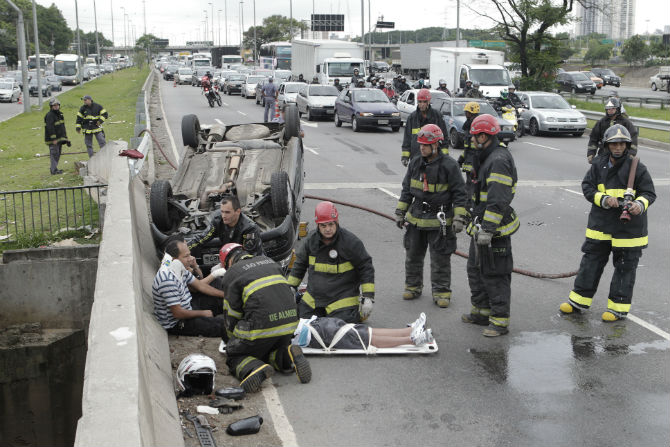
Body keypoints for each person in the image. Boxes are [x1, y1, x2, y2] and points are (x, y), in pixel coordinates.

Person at [560, 125, 655, 322]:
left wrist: (639, 204)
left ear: (627, 145)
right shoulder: (598, 164)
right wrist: (603, 199)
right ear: (607, 145)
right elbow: (587, 187)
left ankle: (617, 309)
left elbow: (649, 193)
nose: (618, 148)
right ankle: (578, 302)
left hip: (628, 232)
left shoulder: (636, 167)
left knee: (624, 270)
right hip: (601, 227)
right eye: (614, 144)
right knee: (590, 264)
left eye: (621, 144)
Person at [218, 243, 311, 393]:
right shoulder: (269, 261)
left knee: (235, 355)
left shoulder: (232, 274)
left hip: (262, 327)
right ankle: (287, 355)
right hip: (290, 324)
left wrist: (232, 342)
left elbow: (232, 314)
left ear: (227, 262)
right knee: (270, 351)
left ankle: (254, 368)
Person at [395, 124, 467, 307]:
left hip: (439, 221)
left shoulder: (449, 165)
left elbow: (460, 193)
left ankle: (442, 292)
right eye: (420, 145)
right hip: (416, 219)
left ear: (436, 145)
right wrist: (400, 212)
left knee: (440, 259)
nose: (422, 148)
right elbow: (406, 190)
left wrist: (459, 218)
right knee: (412, 256)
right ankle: (412, 287)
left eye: (425, 145)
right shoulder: (415, 162)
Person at [461, 114, 519, 337]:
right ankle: (481, 313)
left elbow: (498, 200)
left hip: (494, 230)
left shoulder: (497, 160)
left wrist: (488, 229)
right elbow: (475, 192)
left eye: (474, 137)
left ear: (484, 136)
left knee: (495, 275)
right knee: (475, 270)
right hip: (481, 226)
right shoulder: (484, 156)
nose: (471, 141)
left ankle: (499, 322)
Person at [288, 201, 375, 323]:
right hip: (314, 298)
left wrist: (368, 297)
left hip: (341, 299)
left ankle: (356, 314)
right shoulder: (311, 241)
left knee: (338, 327)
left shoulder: (350, 242)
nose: (328, 229)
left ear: (337, 222)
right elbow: (300, 265)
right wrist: (291, 287)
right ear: (317, 225)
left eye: (331, 224)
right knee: (303, 325)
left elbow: (365, 267)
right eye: (323, 226)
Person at [152, 239, 227, 337]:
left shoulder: (178, 266)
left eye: (189, 254)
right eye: (186, 256)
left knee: (221, 300)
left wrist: (225, 295)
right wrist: (202, 313)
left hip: (189, 305)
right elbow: (178, 313)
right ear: (174, 259)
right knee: (222, 326)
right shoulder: (167, 280)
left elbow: (200, 286)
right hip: (178, 322)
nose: (190, 258)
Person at [292, 313, 433, 350]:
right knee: (364, 336)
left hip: (313, 325)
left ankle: (410, 331)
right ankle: (412, 339)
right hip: (314, 330)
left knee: (363, 332)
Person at [188, 195, 264, 257]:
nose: (223, 216)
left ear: (237, 211)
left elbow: (249, 254)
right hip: (229, 259)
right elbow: (202, 238)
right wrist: (184, 249)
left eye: (227, 212)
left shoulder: (249, 228)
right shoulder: (218, 221)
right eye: (222, 211)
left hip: (252, 262)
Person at [401, 89, 449, 166]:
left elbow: (444, 137)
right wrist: (405, 156)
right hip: (416, 157)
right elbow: (407, 138)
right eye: (420, 102)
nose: (422, 104)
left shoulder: (437, 116)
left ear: (428, 102)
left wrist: (445, 156)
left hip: (434, 157)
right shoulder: (412, 118)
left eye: (424, 102)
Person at [587, 97, 638, 163]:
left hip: (622, 155)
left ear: (618, 109)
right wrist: (591, 153)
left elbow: (633, 138)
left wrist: (631, 154)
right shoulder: (601, 122)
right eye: (608, 109)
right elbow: (593, 138)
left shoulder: (626, 123)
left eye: (613, 108)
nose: (610, 110)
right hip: (603, 155)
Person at [457, 102, 481, 191]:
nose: (466, 114)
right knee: (469, 184)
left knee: (471, 185)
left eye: (467, 112)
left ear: (473, 113)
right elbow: (467, 148)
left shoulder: (476, 126)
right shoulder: (468, 125)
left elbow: (476, 149)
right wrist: (460, 159)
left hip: (474, 163)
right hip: (469, 161)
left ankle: (469, 203)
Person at [44, 97, 69, 175]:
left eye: (57, 105)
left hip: (59, 139)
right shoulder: (49, 115)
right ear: (51, 106)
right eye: (54, 105)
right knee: (54, 154)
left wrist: (65, 138)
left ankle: (55, 169)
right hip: (53, 140)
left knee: (57, 154)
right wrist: (54, 139)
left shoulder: (60, 114)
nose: (56, 106)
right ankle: (53, 170)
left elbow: (62, 127)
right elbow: (50, 128)